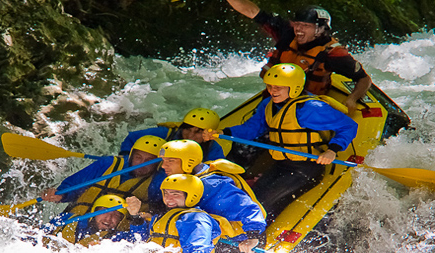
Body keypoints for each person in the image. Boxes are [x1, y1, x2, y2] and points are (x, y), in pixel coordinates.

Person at [204, 63, 358, 222]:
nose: (272, 91)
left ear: (294, 87)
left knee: (261, 204)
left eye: (279, 87)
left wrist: (332, 150)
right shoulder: (268, 105)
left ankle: (256, 238)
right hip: (281, 163)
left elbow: (348, 126)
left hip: (306, 168)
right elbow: (252, 128)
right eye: (270, 86)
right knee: (253, 198)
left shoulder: (310, 108)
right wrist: (224, 132)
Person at [224, 0, 373, 113]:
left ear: (320, 29)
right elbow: (252, 12)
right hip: (273, 101)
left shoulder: (333, 53)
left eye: (306, 26)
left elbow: (364, 79)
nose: (299, 30)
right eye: (298, 24)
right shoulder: (287, 32)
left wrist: (352, 98)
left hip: (304, 109)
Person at [148, 140, 267, 252]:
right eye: (163, 161)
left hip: (242, 239)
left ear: (188, 161)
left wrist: (253, 237)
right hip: (212, 235)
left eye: (170, 161)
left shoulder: (212, 184)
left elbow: (247, 208)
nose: (163, 166)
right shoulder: (184, 181)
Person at [41, 135, 167, 216]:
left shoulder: (158, 181)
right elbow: (74, 185)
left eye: (148, 161)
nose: (141, 164)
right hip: (77, 219)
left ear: (157, 164)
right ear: (131, 155)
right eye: (138, 157)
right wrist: (60, 195)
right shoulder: (108, 164)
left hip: (113, 233)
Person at [124, 174, 235, 253]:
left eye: (175, 194)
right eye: (166, 193)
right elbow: (141, 240)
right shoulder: (161, 217)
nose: (168, 198)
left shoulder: (195, 218)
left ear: (192, 196)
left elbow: (198, 248)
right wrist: (135, 216)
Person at [119, 108, 226, 161]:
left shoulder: (213, 148)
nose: (190, 136)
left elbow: (217, 170)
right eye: (188, 129)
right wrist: (128, 159)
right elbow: (132, 138)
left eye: (198, 132)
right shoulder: (166, 133)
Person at [47, 194, 136, 245]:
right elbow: (40, 233)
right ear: (94, 212)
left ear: (120, 221)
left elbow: (139, 238)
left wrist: (136, 216)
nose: (108, 219)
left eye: (116, 215)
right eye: (104, 212)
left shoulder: (119, 238)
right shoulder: (67, 218)